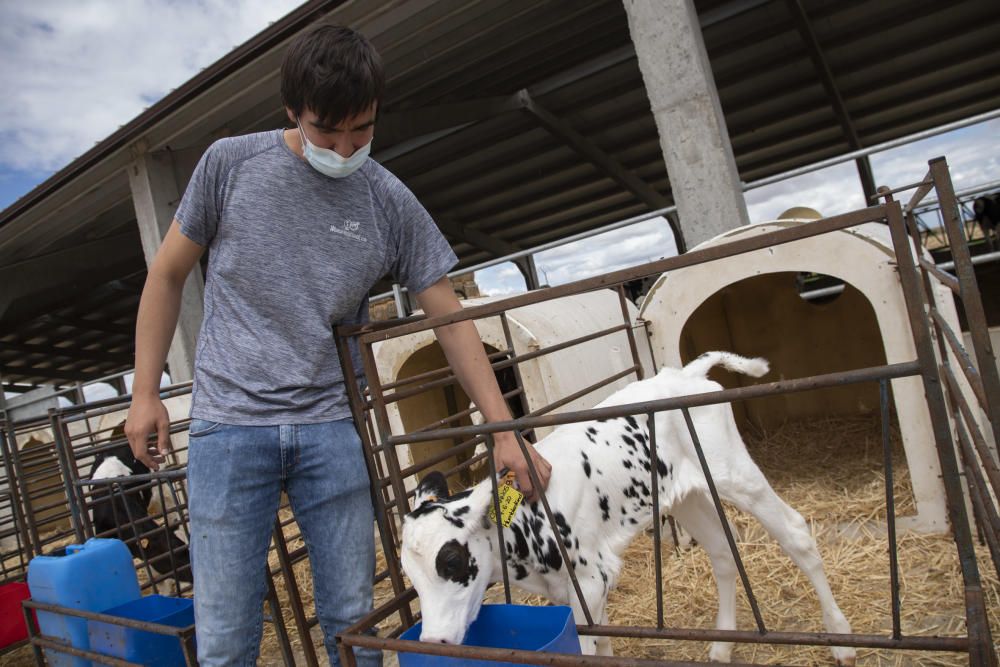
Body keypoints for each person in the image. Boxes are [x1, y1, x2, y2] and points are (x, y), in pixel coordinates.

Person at [124, 24, 550, 667]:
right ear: (292, 110)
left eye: (363, 130)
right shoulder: (230, 165)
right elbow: (167, 273)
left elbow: (450, 316)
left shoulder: (385, 198)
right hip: (230, 423)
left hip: (331, 424)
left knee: (354, 619)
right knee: (227, 630)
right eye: (327, 131)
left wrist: (503, 428)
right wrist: (146, 391)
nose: (346, 147)